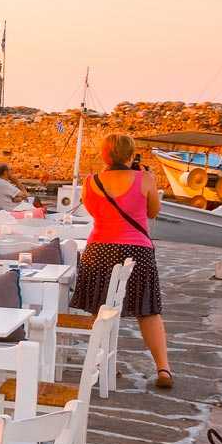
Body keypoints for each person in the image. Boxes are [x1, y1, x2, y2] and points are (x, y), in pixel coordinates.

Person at [74, 133, 171, 388]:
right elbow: (152, 212)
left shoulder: (90, 181)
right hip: (136, 250)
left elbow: (94, 211)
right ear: (131, 154)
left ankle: (105, 363)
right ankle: (163, 369)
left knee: (101, 310)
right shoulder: (145, 178)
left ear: (104, 155)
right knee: (149, 311)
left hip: (99, 251)